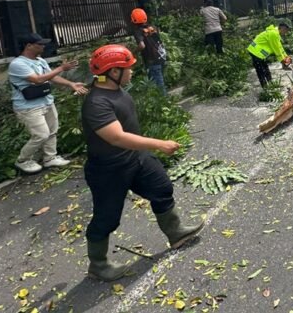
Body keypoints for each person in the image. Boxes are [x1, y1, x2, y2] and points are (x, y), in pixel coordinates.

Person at [82, 44, 204, 281]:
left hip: (135, 158)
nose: (132, 72)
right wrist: (159, 144)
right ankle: (98, 264)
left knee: (161, 187)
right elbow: (116, 137)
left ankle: (175, 232)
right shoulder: (97, 103)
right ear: (113, 72)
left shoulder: (117, 91)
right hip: (108, 169)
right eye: (127, 68)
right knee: (106, 217)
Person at [9, 33, 89, 174]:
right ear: (29, 46)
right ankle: (23, 160)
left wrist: (71, 84)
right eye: (40, 44)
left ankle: (49, 158)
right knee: (41, 134)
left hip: (46, 101)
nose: (43, 46)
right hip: (29, 107)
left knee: (52, 131)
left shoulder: (40, 60)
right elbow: (38, 80)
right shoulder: (18, 64)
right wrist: (61, 68)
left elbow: (53, 77)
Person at [131, 8, 167, 95]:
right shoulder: (152, 27)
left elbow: (142, 45)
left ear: (133, 20)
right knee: (158, 80)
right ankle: (162, 100)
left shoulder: (138, 31)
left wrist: (133, 52)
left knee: (158, 84)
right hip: (161, 56)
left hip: (152, 60)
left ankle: (165, 102)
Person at [247, 23, 292, 87]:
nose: (286, 33)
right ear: (282, 28)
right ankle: (265, 87)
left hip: (259, 53)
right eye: (286, 31)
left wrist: (286, 57)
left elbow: (280, 47)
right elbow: (276, 50)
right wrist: (283, 61)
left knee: (265, 68)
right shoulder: (273, 34)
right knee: (260, 70)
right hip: (255, 52)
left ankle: (270, 84)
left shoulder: (276, 34)